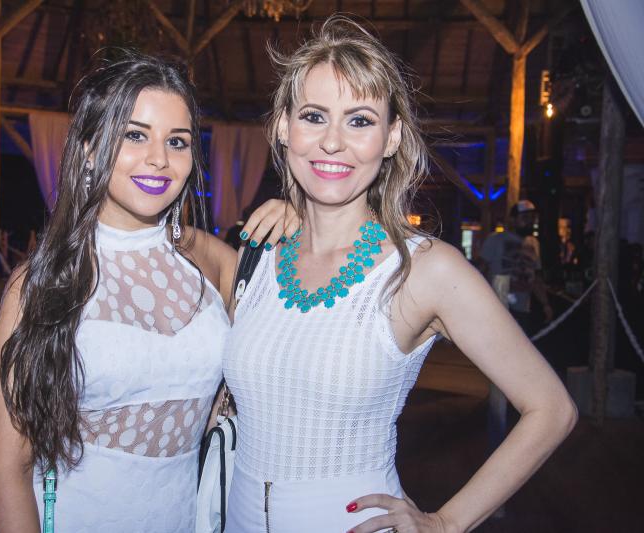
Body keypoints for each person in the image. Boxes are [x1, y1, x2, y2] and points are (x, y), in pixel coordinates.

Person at [223, 16, 576, 533]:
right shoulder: (259, 253)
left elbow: (551, 408)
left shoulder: (425, 269)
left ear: (391, 138)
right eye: (314, 116)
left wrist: (446, 523)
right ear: (283, 127)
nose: (333, 142)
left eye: (360, 121)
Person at [0, 51, 297, 532]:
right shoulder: (43, 283)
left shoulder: (213, 261)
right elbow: (9, 470)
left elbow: (301, 344)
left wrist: (306, 222)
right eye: (135, 135)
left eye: (177, 141)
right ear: (90, 149)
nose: (159, 158)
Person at [479, 200, 553, 334]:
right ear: (512, 220)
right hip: (497, 308)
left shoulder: (534, 243)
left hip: (522, 308)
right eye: (525, 217)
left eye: (532, 218)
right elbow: (479, 271)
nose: (530, 221)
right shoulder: (495, 240)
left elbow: (536, 278)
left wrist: (545, 304)